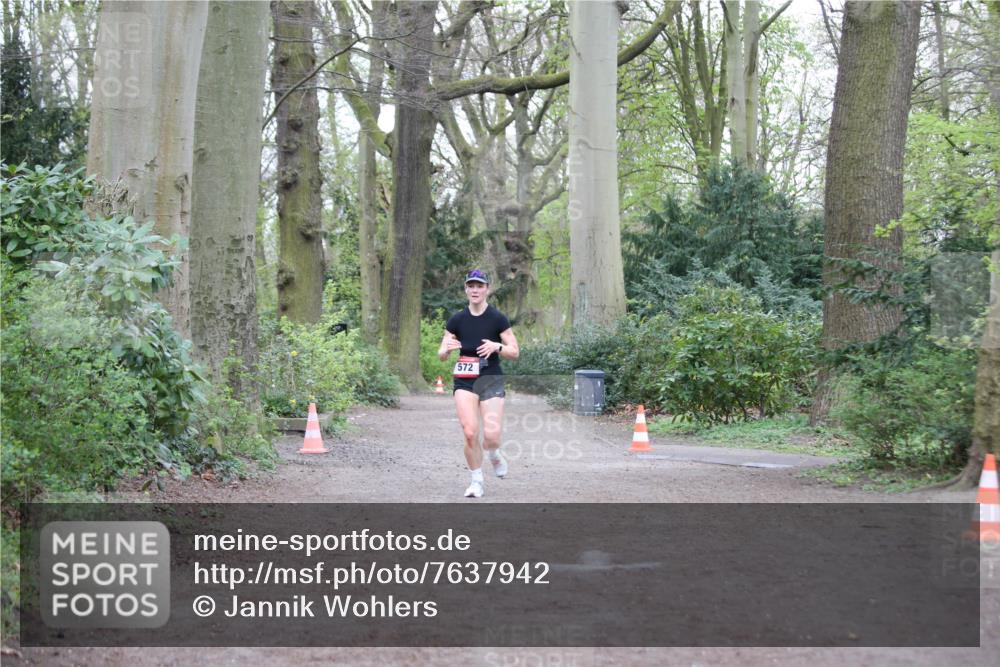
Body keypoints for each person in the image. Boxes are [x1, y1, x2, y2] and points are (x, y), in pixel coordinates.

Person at [437, 269, 520, 498]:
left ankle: (493, 454)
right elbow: (442, 353)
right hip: (465, 380)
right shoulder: (457, 320)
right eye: (471, 286)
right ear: (466, 289)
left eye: (479, 286)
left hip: (491, 378)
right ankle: (476, 481)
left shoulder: (497, 318)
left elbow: (515, 351)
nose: (475, 290)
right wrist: (446, 350)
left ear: (487, 289)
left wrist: (498, 347)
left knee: (491, 437)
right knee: (471, 432)